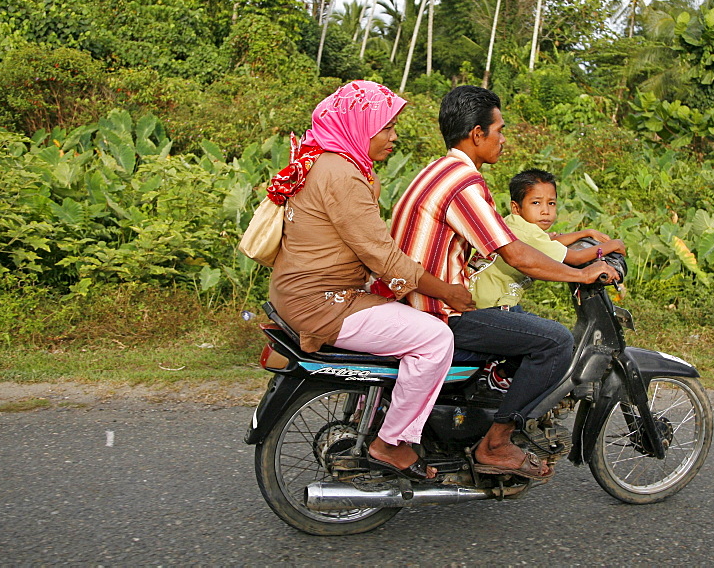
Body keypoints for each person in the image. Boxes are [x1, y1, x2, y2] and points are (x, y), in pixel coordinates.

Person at [390, 85, 619, 480]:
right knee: (555, 341)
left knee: (518, 323)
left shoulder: (436, 171)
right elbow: (514, 252)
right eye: (499, 130)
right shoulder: (464, 183)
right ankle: (496, 443)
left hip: (413, 302)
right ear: (477, 134)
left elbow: (506, 242)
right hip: (438, 311)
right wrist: (581, 273)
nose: (503, 138)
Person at [268, 80, 476, 481]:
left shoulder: (325, 161)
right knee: (435, 339)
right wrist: (446, 290)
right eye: (386, 128)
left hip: (303, 294)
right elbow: (383, 256)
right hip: (324, 302)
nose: (393, 138)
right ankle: (391, 444)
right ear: (359, 126)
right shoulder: (342, 176)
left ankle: (385, 416)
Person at [469, 168, 626, 311]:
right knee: (556, 337)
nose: (545, 211)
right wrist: (614, 244)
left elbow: (549, 244)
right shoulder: (529, 233)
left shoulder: (513, 222)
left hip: (476, 298)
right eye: (536, 203)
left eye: (551, 203)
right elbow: (576, 258)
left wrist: (586, 233)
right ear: (516, 208)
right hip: (491, 306)